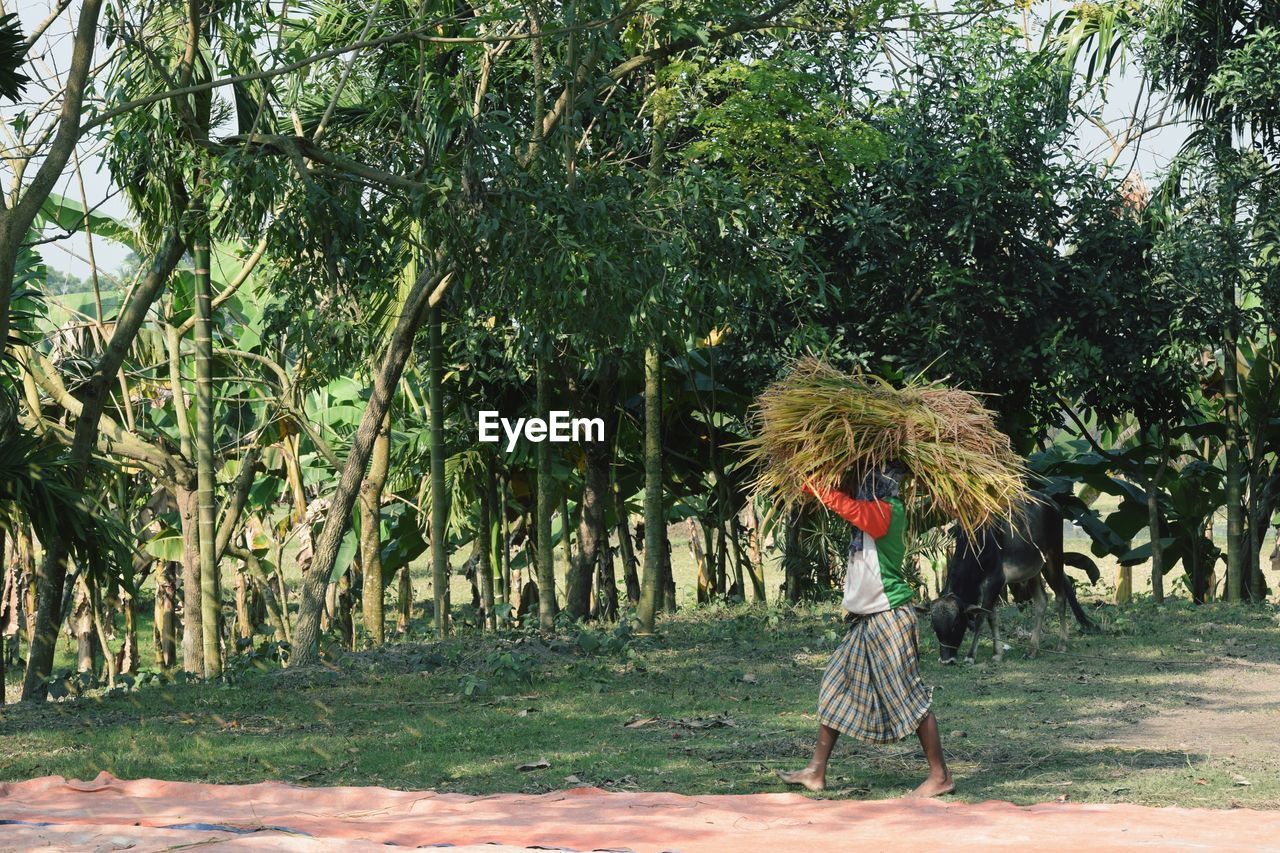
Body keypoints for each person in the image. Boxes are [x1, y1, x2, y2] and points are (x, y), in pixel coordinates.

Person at [777, 463, 953, 798]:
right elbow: (846, 502)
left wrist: (819, 488)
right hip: (867, 620)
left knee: (910, 699)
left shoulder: (888, 511)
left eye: (871, 480)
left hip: (889, 619)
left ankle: (941, 776)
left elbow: (849, 507)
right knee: (835, 685)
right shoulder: (872, 509)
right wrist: (809, 482)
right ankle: (815, 771)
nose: (865, 485)